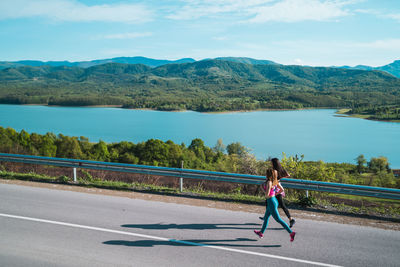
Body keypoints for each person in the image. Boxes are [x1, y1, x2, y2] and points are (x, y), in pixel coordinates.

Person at [254, 168, 296, 242]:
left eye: (266, 173)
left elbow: (267, 195)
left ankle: (291, 233)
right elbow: (281, 190)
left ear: (268, 175)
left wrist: (262, 189)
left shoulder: (269, 182)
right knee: (266, 217)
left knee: (278, 219)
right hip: (274, 200)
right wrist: (274, 194)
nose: (265, 175)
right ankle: (261, 232)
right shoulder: (275, 181)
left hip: (271, 201)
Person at [260, 158, 296, 228]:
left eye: (271, 162)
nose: (271, 164)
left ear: (273, 163)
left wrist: (277, 179)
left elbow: (271, 179)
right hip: (278, 187)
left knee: (270, 202)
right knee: (280, 205)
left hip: (275, 188)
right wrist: (280, 178)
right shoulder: (281, 169)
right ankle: (290, 219)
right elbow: (288, 174)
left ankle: (265, 218)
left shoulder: (274, 171)